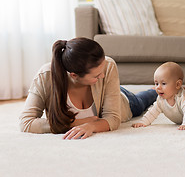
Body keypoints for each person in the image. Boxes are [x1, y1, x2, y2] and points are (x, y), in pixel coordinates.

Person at [19, 37, 157, 140]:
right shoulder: (45, 77)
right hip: (108, 93)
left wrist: (91, 126)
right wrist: (79, 123)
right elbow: (26, 123)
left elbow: (113, 118)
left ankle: (154, 90)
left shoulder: (107, 67)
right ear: (74, 75)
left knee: (143, 100)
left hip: (126, 101)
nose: (103, 75)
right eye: (97, 75)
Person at [132, 62, 185, 130]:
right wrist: (143, 122)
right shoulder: (161, 99)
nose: (158, 87)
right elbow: (152, 112)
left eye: (163, 83)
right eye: (156, 83)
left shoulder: (184, 98)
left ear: (177, 85)